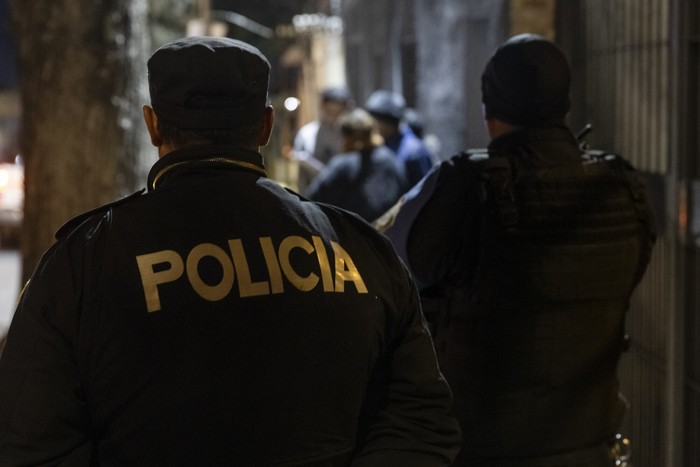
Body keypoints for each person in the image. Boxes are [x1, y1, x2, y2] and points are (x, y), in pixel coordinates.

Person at [0, 37, 461, 466]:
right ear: (265, 126)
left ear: (153, 124)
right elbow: (421, 418)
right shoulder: (359, 249)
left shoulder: (85, 260)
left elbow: (28, 437)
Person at [376, 34, 656, 466]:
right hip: (589, 444)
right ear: (563, 105)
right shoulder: (622, 185)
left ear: (488, 111)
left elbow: (387, 261)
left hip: (482, 446)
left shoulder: (465, 185)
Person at [306, 108, 409, 222]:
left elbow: (313, 200)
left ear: (346, 137)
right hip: (388, 235)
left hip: (351, 236)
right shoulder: (391, 160)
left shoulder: (342, 165)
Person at [364, 90, 434, 188]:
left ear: (390, 122)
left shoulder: (414, 151)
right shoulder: (379, 144)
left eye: (377, 121)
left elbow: (425, 189)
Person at [292, 86, 352, 194]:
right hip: (317, 196)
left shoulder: (351, 134)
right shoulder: (306, 134)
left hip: (345, 196)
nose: (334, 115)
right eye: (331, 110)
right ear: (323, 107)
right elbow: (302, 176)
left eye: (339, 110)